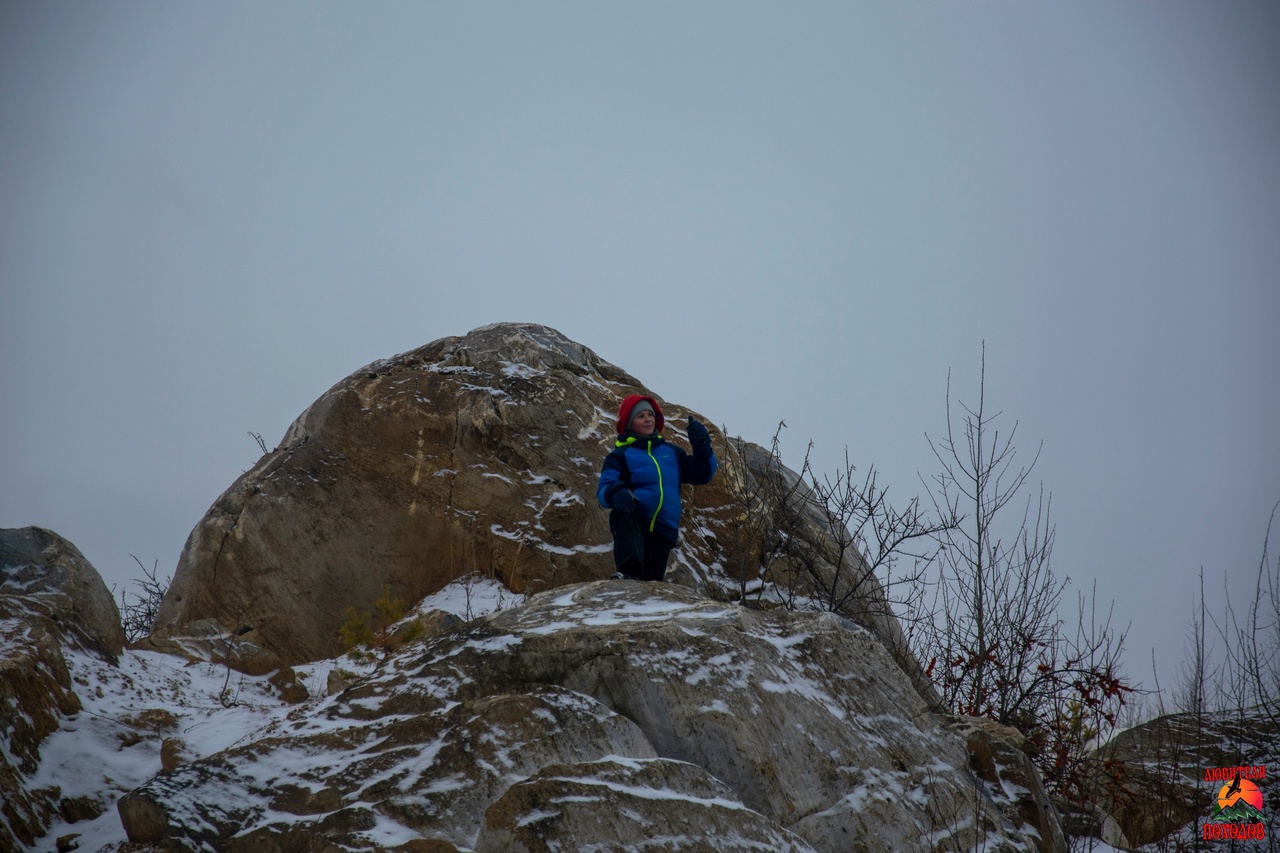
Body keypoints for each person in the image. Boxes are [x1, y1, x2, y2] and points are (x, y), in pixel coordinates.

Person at [596, 394, 718, 581]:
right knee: (623, 513)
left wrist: (702, 446)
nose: (648, 419)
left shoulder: (671, 452)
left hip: (664, 527)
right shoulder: (620, 455)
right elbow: (604, 490)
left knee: (651, 581)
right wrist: (617, 492)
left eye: (650, 414)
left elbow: (703, 474)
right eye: (640, 416)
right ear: (629, 424)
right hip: (636, 520)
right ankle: (627, 572)